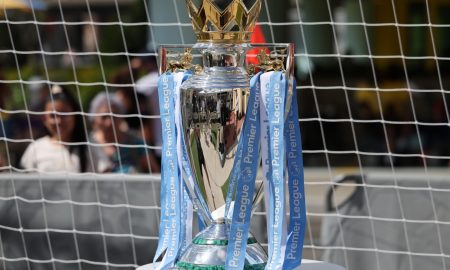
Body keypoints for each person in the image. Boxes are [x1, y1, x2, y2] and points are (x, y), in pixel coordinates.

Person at [20, 85, 93, 173]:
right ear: (44, 119)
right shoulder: (35, 148)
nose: (59, 121)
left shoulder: (90, 146)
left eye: (64, 114)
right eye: (53, 116)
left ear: (75, 115)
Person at [88, 92, 159, 173]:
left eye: (114, 116)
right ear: (95, 120)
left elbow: (155, 171)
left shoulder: (135, 141)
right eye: (104, 117)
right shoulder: (89, 145)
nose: (109, 122)